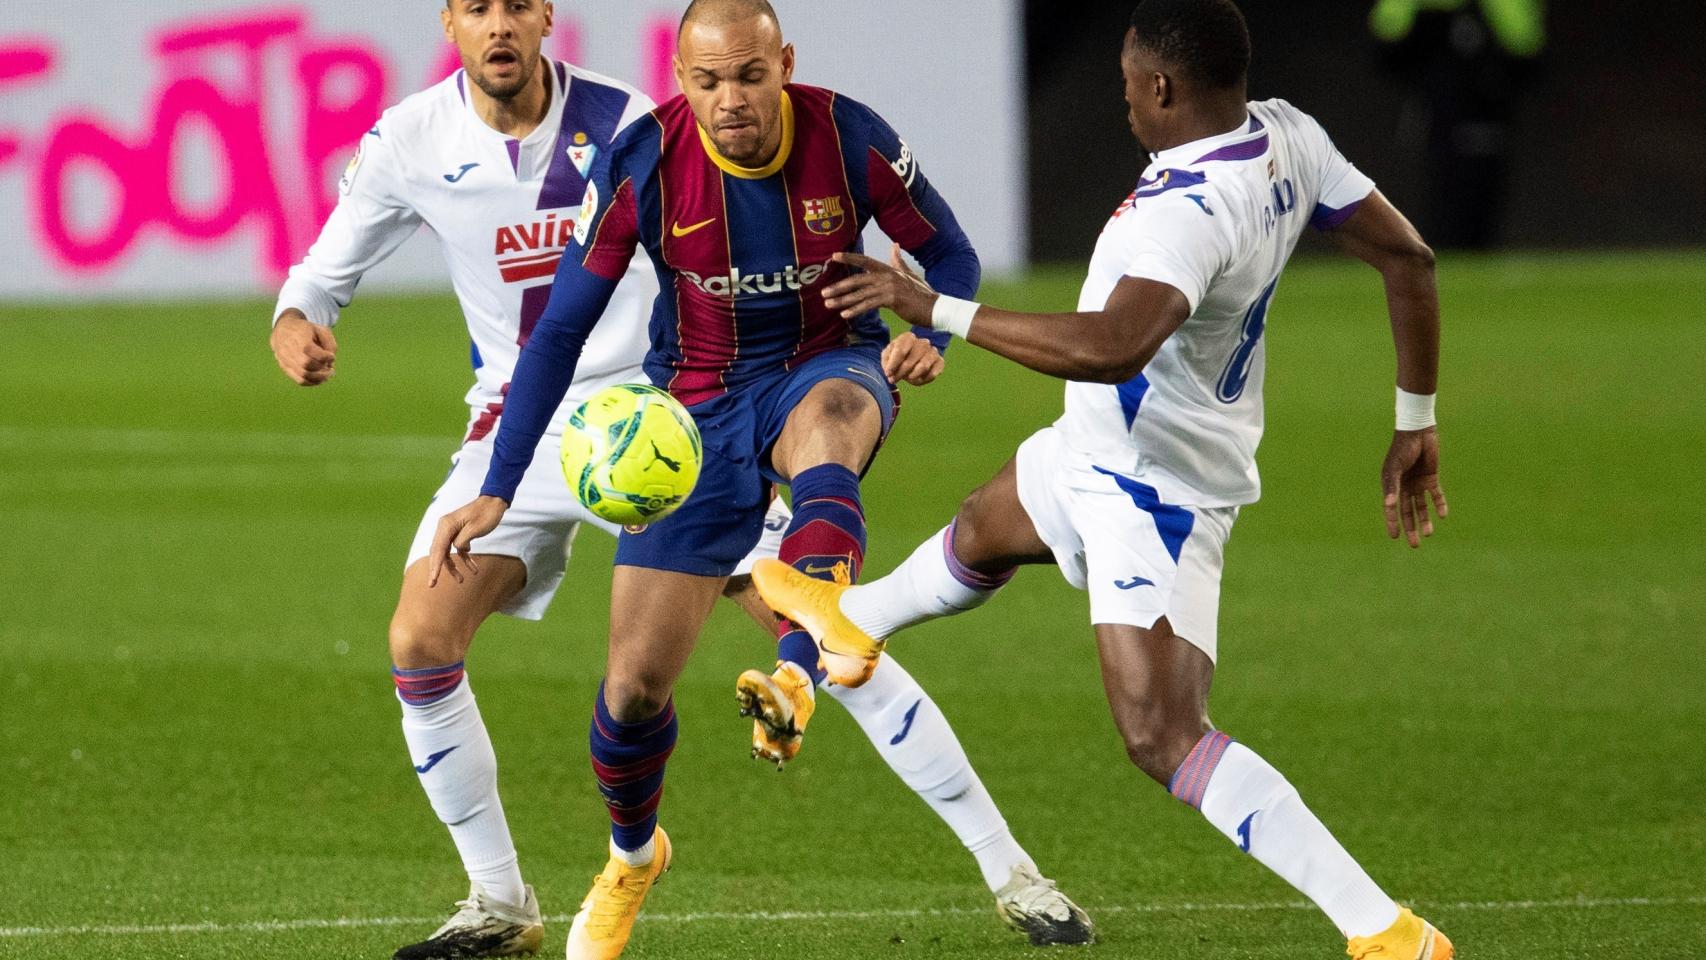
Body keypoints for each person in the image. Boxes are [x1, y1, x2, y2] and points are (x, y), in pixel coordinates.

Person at [273, 1, 1090, 957]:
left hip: (700, 404)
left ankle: (1006, 867)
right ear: (450, 21)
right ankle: (540, 889)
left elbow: (926, 252)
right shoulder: (458, 140)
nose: (729, 101)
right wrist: (309, 322)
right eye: (476, 8)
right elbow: (515, 320)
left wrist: (910, 329)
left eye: (748, 76)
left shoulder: (648, 121)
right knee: (559, 672)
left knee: (832, 604)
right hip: (574, 421)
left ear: (546, 18)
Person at [750, 1, 1456, 958]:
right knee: (977, 534)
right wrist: (1416, 420)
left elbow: (1115, 346)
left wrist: (935, 307)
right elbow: (1407, 257)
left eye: (1129, 86)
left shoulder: (1189, 213)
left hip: (1155, 490)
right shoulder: (1287, 136)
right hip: (1087, 452)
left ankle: (1386, 932)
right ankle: (829, 645)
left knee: (1162, 735)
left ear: (1162, 88)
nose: (1122, 102)